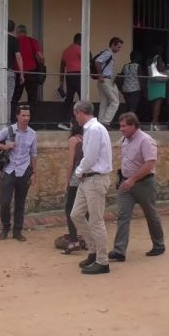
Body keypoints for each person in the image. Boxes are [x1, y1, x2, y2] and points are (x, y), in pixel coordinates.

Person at [109, 112, 165, 262]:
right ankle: (119, 250)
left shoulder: (146, 140)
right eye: (120, 126)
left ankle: (159, 245)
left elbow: (150, 163)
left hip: (144, 183)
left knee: (151, 214)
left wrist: (132, 179)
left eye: (124, 126)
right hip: (126, 182)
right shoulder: (124, 140)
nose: (121, 129)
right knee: (123, 216)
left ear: (134, 125)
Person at [69, 100, 113, 274]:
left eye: (76, 115)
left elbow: (90, 157)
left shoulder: (94, 129)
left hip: (94, 178)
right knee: (76, 214)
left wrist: (78, 172)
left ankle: (102, 260)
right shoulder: (92, 129)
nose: (76, 119)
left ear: (80, 112)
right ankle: (93, 251)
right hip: (88, 178)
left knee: (96, 220)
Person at [0, 104, 37, 242]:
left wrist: (34, 173)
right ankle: (5, 227)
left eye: (28, 115)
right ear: (17, 116)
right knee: (5, 202)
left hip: (24, 171)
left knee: (20, 203)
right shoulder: (9, 130)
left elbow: (34, 155)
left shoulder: (33, 134)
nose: (26, 118)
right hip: (9, 169)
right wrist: (5, 146)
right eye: (23, 115)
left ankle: (17, 231)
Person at [61, 118, 87, 254]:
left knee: (70, 209)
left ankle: (74, 239)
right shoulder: (87, 138)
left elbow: (71, 163)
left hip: (76, 178)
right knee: (86, 210)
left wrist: (67, 180)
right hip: (87, 177)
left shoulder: (74, 140)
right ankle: (87, 239)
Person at [12, 24, 43, 114]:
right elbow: (41, 56)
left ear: (17, 32)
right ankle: (31, 119)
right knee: (32, 97)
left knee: (15, 97)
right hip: (31, 72)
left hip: (17, 71)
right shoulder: (32, 40)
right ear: (26, 32)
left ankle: (12, 117)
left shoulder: (14, 41)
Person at [94, 37, 123, 127]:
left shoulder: (108, 53)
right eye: (118, 47)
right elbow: (97, 61)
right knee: (115, 102)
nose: (119, 49)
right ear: (113, 44)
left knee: (104, 102)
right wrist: (100, 75)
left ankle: (100, 124)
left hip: (105, 80)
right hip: (105, 80)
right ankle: (106, 122)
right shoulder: (108, 53)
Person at [58, 33, 82, 131]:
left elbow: (62, 66)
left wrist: (61, 81)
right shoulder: (80, 49)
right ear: (80, 40)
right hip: (79, 75)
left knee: (69, 98)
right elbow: (87, 60)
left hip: (69, 76)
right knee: (83, 99)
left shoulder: (66, 50)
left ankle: (64, 121)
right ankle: (82, 123)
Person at [148, 46, 168, 131]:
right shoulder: (158, 57)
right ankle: (154, 123)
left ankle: (153, 122)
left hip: (152, 82)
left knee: (154, 104)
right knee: (158, 103)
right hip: (158, 83)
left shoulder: (150, 59)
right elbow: (159, 68)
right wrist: (166, 68)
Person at [120, 50, 142, 117]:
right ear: (137, 57)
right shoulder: (138, 66)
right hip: (135, 89)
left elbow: (122, 77)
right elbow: (140, 78)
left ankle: (126, 121)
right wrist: (143, 89)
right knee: (133, 107)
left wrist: (121, 89)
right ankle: (130, 122)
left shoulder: (125, 66)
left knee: (128, 106)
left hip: (125, 89)